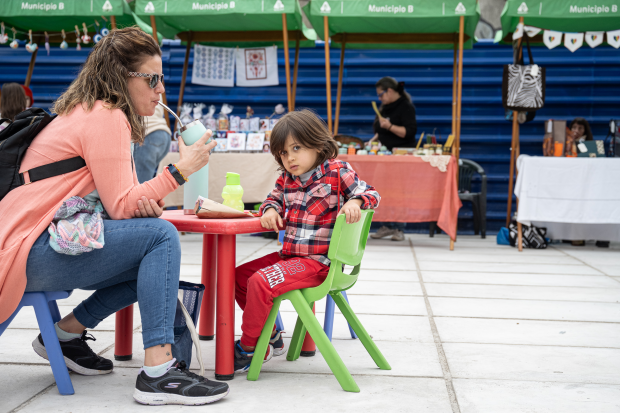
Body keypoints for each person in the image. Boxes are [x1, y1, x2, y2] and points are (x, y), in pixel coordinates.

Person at [0, 27, 228, 406]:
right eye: (152, 79)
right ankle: (158, 372)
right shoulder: (106, 115)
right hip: (25, 251)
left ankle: (65, 335)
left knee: (155, 261)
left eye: (162, 79)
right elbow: (123, 206)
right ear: (124, 77)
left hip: (22, 245)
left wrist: (146, 201)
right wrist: (178, 173)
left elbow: (123, 203)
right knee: (161, 238)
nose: (160, 90)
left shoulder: (89, 109)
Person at [233, 110, 380, 372]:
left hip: (317, 264)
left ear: (317, 143)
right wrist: (270, 210)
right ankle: (270, 336)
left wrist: (356, 201)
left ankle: (249, 346)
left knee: (261, 281)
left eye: (296, 148)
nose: (289, 158)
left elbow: (370, 192)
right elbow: (272, 198)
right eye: (282, 152)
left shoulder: (337, 171)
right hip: (289, 257)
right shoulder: (286, 179)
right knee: (239, 275)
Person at [369, 77, 417, 242]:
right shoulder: (385, 107)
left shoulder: (406, 107)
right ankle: (385, 225)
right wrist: (373, 140)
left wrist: (389, 126)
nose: (379, 98)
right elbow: (381, 130)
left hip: (400, 157)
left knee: (399, 191)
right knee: (381, 189)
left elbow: (408, 132)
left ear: (389, 91)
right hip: (384, 155)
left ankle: (399, 228)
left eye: (381, 94)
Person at [134, 101, 172, 183]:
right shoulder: (157, 89)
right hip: (163, 133)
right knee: (147, 181)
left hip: (148, 133)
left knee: (140, 186)